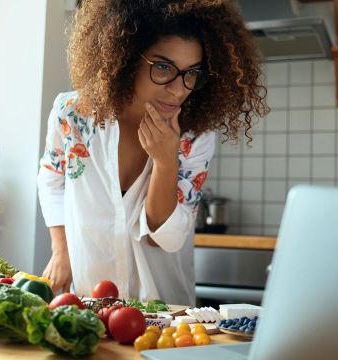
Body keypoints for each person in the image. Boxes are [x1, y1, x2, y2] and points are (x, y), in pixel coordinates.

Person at [37, 0, 268, 306]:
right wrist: (61, 251)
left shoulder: (194, 135)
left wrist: (165, 159)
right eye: (163, 68)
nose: (179, 89)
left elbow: (168, 238)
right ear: (127, 57)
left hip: (166, 315)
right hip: (88, 302)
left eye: (191, 73)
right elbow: (52, 179)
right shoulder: (72, 114)